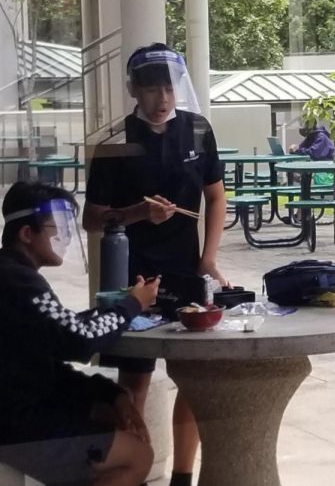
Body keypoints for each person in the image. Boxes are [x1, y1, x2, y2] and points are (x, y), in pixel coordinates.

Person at [83, 43, 229, 486]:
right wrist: (136, 214)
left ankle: (183, 476)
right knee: (134, 379)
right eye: (150, 89)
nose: (162, 98)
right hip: (131, 273)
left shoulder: (198, 130)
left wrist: (208, 258)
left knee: (192, 376)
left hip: (186, 267)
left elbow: (216, 195)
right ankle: (132, 470)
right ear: (133, 89)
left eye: (168, 87)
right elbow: (92, 217)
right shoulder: (115, 141)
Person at [0, 181, 159, 485]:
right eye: (55, 227)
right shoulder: (17, 281)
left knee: (112, 415)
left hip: (19, 408)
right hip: (16, 423)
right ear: (26, 234)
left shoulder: (13, 275)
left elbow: (42, 362)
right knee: (138, 456)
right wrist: (131, 306)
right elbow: (80, 339)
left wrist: (111, 394)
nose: (65, 237)